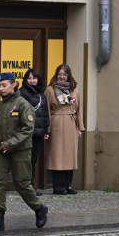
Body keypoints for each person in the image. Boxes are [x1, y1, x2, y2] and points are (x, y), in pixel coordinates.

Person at [0, 73, 49, 231]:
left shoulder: (23, 104)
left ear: (14, 85)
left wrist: (10, 143)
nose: (1, 89)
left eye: (4, 85)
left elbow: (28, 129)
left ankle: (39, 208)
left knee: (22, 184)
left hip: (20, 149)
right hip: (2, 150)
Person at [44, 63, 84, 195]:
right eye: (59, 74)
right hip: (57, 124)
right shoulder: (50, 90)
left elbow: (79, 110)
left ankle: (67, 185)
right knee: (58, 156)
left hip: (71, 124)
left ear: (68, 76)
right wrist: (47, 129)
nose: (61, 77)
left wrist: (80, 127)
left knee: (70, 156)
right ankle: (59, 186)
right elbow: (46, 110)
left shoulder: (74, 90)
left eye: (64, 74)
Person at [19, 68, 50, 173]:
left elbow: (45, 113)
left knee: (33, 159)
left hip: (38, 132)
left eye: (34, 78)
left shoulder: (41, 94)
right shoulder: (22, 92)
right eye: (29, 78)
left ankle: (31, 185)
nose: (32, 81)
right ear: (25, 80)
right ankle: (27, 186)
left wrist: (46, 130)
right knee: (26, 159)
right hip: (26, 132)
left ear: (38, 79)